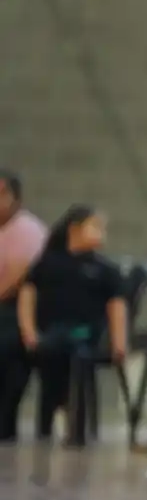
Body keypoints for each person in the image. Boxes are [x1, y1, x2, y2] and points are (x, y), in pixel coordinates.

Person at [16, 205, 127, 439]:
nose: (101, 233)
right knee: (44, 348)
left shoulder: (105, 270)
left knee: (67, 346)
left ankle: (73, 417)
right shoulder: (47, 263)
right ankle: (46, 417)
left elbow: (117, 306)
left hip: (85, 334)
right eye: (95, 227)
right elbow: (27, 295)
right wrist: (28, 332)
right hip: (49, 332)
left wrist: (119, 342)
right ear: (74, 229)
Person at [0, 170, 48, 440]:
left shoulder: (27, 230)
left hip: (25, 311)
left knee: (8, 342)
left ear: (14, 198)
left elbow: (12, 285)